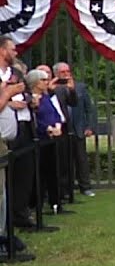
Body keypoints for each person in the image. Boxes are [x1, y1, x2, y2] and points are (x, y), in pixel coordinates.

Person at [0, 36, 36, 228]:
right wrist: (8, 99)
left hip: (22, 126)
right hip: (3, 132)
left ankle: (19, 214)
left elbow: (28, 91)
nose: (15, 53)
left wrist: (28, 100)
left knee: (24, 173)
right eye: (12, 49)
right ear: (2, 51)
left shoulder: (15, 73)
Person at [28, 68, 68, 215]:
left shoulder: (46, 98)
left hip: (52, 139)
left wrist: (57, 125)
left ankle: (55, 203)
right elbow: (35, 119)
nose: (47, 82)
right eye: (43, 80)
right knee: (40, 174)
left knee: (53, 172)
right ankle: (35, 205)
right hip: (41, 140)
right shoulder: (33, 99)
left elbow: (55, 114)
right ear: (35, 82)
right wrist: (48, 128)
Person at [54, 62, 96, 197]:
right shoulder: (53, 88)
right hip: (63, 129)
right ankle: (65, 189)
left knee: (81, 159)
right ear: (56, 74)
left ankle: (85, 187)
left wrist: (89, 126)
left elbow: (88, 108)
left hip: (78, 128)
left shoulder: (80, 87)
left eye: (68, 71)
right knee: (64, 160)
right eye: (63, 72)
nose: (66, 74)